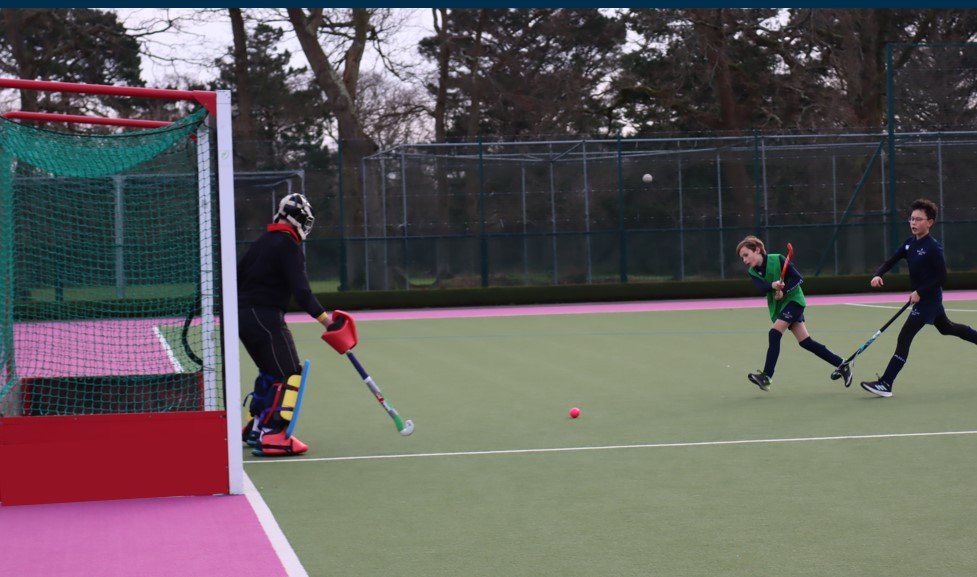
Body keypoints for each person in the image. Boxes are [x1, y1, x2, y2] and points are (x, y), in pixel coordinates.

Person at [238, 193, 332, 455]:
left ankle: (255, 426)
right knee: (289, 372)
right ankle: (273, 434)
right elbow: (301, 291)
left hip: (242, 318)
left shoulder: (261, 242)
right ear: (296, 219)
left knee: (269, 371)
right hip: (264, 316)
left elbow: (237, 277)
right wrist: (327, 321)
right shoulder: (288, 245)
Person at [859, 198, 977, 397]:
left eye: (919, 219)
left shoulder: (933, 248)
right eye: (912, 219)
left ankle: (886, 383)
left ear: (929, 222)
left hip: (929, 300)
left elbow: (942, 277)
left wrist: (920, 292)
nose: (913, 223)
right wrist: (878, 274)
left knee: (904, 336)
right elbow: (891, 260)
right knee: (947, 328)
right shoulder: (909, 244)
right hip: (925, 299)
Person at [736, 236, 852, 391]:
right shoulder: (753, 271)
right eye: (741, 257)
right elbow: (762, 288)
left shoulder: (777, 259)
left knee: (774, 334)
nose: (744, 260)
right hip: (780, 306)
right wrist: (774, 286)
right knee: (806, 342)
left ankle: (766, 376)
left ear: (757, 250)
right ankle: (842, 364)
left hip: (794, 301)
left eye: (745, 255)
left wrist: (783, 290)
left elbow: (798, 278)